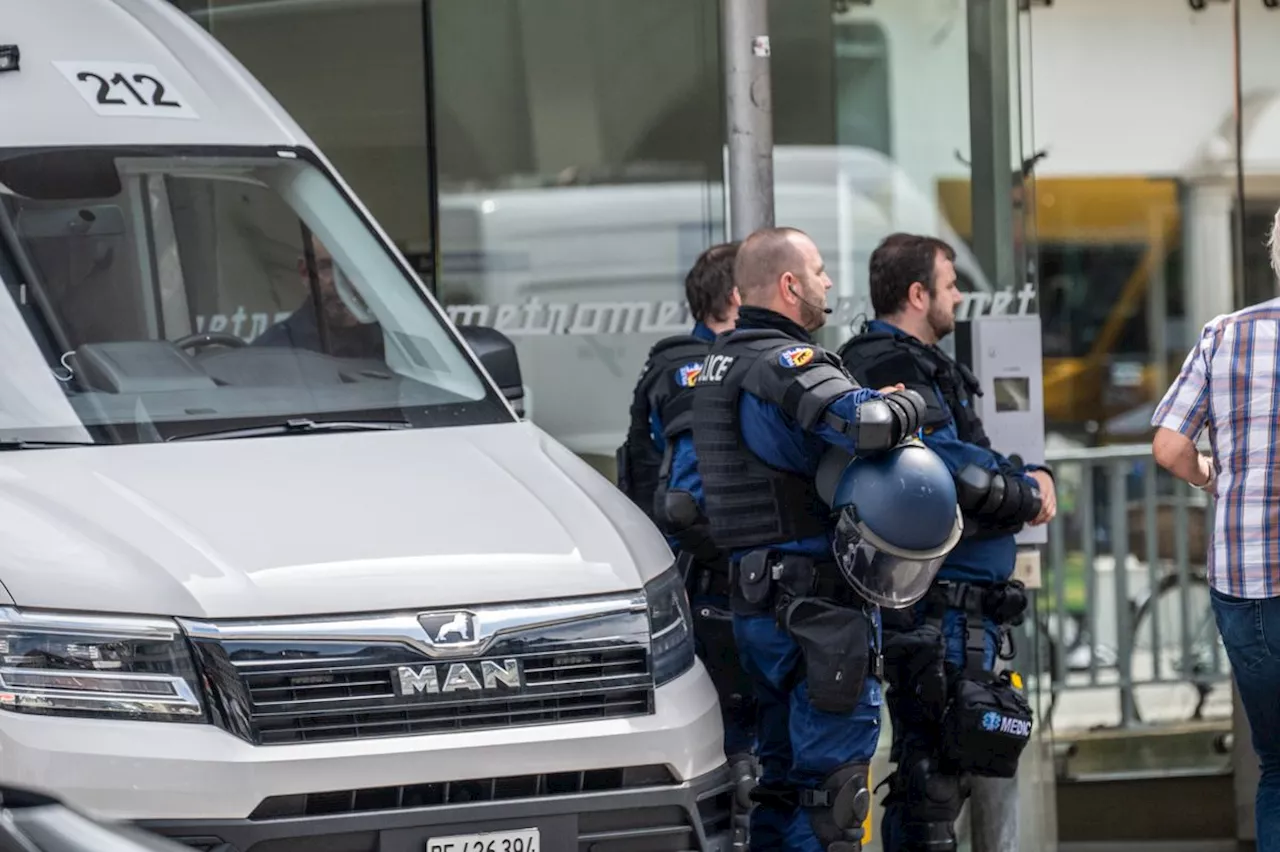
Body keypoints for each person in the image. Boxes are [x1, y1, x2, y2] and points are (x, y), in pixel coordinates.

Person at [689, 225, 931, 852]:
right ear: (790, 285)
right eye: (820, 272)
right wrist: (909, 405)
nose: (829, 284)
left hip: (758, 608)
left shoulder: (720, 365)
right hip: (817, 614)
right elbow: (869, 423)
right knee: (834, 799)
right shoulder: (783, 361)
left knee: (780, 789)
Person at [836, 232, 1057, 852]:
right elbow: (953, 474)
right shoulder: (886, 364)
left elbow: (984, 458)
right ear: (916, 293)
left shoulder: (929, 364)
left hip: (965, 613)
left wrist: (1030, 478)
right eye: (951, 284)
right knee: (931, 781)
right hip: (934, 612)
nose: (958, 296)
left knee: (952, 767)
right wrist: (1025, 493)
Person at [614, 242, 759, 842]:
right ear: (735, 297)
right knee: (745, 759)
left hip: (687, 580)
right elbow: (693, 500)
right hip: (719, 582)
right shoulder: (699, 373)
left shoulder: (668, 369)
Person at [1150, 205, 1280, 852]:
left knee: (1277, 765)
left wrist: (1209, 477)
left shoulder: (1226, 334)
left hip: (1251, 585)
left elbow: (1170, 446)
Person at [254, 237, 385, 360]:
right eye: (327, 267)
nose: (342, 283)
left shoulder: (395, 343)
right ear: (304, 271)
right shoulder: (273, 354)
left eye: (352, 267)